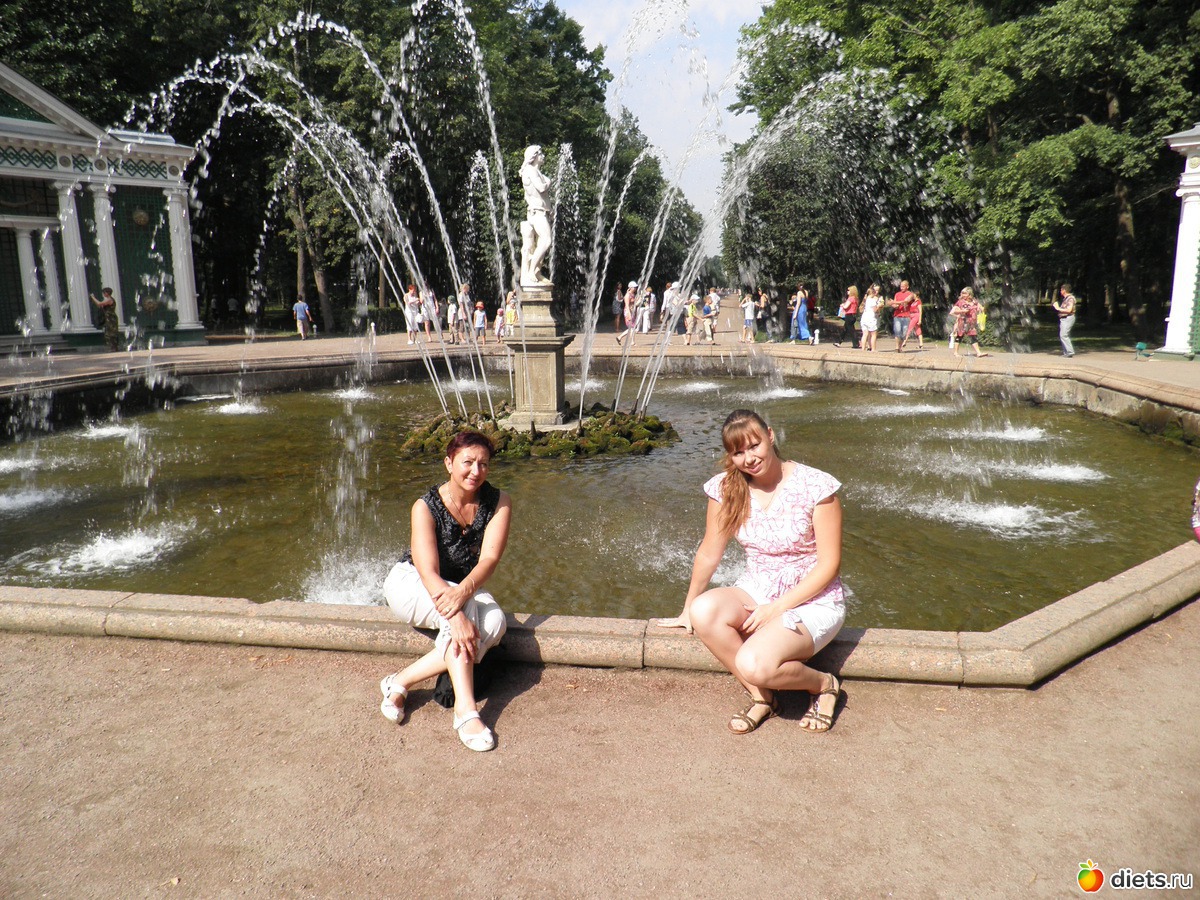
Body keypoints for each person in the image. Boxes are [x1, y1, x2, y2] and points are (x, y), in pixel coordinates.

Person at [652, 409, 846, 734]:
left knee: (753, 663)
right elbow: (709, 552)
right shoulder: (727, 488)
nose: (749, 458)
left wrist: (776, 608)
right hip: (756, 589)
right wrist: (687, 608)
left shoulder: (816, 487)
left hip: (812, 600)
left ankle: (824, 685)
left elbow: (829, 565)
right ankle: (763, 698)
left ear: (770, 436)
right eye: (738, 452)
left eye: (754, 446)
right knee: (703, 611)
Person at [379, 431, 512, 752]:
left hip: (460, 586)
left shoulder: (499, 501)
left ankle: (401, 681)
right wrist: (455, 614)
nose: (476, 471)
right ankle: (466, 712)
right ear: (449, 463)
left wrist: (463, 594)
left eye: (483, 464)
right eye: (468, 462)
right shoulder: (424, 506)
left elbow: (490, 559)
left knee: (495, 623)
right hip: (413, 583)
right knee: (464, 610)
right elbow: (427, 571)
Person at [519, 145, 553, 285]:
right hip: (537, 212)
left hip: (541, 212)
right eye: (541, 154)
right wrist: (549, 181)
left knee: (541, 244)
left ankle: (537, 272)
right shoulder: (530, 170)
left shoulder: (536, 171)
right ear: (534, 156)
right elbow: (541, 188)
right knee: (547, 240)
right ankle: (531, 270)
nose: (543, 156)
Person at [950, 287, 988, 358]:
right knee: (960, 336)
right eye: (962, 293)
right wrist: (962, 311)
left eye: (965, 293)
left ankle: (978, 353)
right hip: (962, 322)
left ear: (970, 294)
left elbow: (981, 308)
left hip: (971, 323)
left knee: (973, 336)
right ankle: (955, 352)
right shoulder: (960, 302)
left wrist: (983, 309)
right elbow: (952, 312)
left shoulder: (974, 302)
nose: (963, 295)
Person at [1053, 283, 1077, 358]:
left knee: (1063, 335)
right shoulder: (1066, 298)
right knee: (1064, 335)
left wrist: (1058, 308)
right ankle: (1066, 352)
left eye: (1061, 290)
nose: (1060, 291)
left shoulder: (1070, 298)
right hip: (1064, 319)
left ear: (1064, 290)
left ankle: (1069, 352)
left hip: (1068, 318)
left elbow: (1069, 310)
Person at [891, 280, 913, 352]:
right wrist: (894, 305)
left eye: (903, 286)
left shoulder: (910, 294)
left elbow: (905, 301)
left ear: (907, 286)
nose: (901, 288)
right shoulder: (897, 294)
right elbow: (894, 305)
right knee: (897, 331)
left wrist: (893, 302)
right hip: (897, 315)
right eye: (901, 286)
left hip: (906, 316)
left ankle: (900, 347)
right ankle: (897, 347)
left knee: (904, 333)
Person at [859, 284, 882, 352]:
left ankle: (863, 348)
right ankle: (873, 349)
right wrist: (878, 307)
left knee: (865, 334)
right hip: (871, 318)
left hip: (864, 318)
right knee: (873, 334)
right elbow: (875, 310)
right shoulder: (872, 300)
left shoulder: (865, 300)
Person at [615, 280, 638, 345]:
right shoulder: (627, 295)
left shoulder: (633, 295)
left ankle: (619, 337)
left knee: (632, 327)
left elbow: (635, 304)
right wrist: (629, 314)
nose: (635, 288)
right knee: (632, 327)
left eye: (636, 287)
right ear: (630, 287)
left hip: (632, 311)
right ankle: (632, 342)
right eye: (634, 287)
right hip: (628, 312)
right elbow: (627, 305)